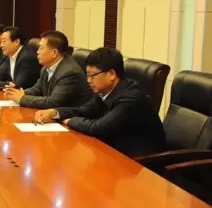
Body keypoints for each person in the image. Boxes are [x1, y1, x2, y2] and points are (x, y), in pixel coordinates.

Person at [34, 47, 167, 158]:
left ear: (111, 74)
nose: (88, 80)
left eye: (92, 75)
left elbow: (97, 128)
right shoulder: (108, 91)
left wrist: (69, 121)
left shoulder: (130, 98)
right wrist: (55, 113)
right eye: (87, 75)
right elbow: (83, 110)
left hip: (139, 162)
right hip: (114, 151)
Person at [5, 30, 93, 109]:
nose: (37, 52)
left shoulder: (69, 72)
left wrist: (22, 98)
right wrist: (20, 93)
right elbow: (37, 89)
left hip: (71, 118)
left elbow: (53, 102)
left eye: (41, 48)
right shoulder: (46, 67)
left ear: (54, 52)